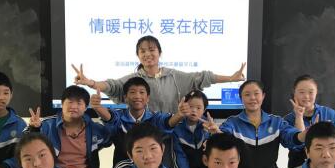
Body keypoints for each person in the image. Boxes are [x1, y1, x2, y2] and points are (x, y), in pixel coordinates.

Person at [72, 35, 246, 113]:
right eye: (142, 51)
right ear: (138, 56)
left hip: (173, 132)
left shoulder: (174, 76)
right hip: (144, 136)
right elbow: (112, 85)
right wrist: (92, 83)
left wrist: (230, 78)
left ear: (159, 53)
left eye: (151, 49)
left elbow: (202, 77)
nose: (147, 54)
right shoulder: (134, 80)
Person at [100, 76, 189, 168]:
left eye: (141, 92)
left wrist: (179, 115)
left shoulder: (154, 117)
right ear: (125, 97)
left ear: (147, 98)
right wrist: (98, 107)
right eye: (133, 92)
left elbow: (167, 123)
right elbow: (111, 118)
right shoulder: (119, 116)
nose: (137, 96)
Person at [283, 74, 335, 168]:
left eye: (311, 92)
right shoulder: (287, 120)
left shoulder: (329, 114)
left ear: (316, 92)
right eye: (301, 92)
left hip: (326, 165)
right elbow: (295, 145)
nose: (306, 96)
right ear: (294, 93)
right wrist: (299, 117)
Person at [172, 89, 211, 168]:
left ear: (204, 110)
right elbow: (179, 158)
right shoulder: (177, 128)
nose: (194, 110)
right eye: (190, 106)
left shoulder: (208, 126)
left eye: (198, 108)